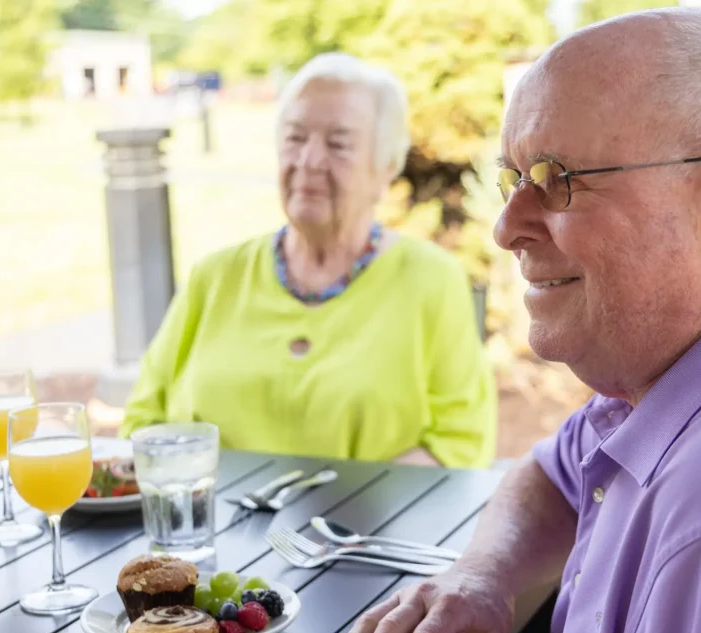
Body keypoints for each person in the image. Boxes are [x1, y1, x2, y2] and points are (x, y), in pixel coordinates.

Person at [338, 7, 701, 633]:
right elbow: (556, 474)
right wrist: (483, 576)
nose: (507, 228)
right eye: (516, 181)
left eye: (556, 179)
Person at [119, 53, 496, 469]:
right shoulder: (214, 276)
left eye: (338, 143)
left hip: (361, 529)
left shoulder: (431, 280)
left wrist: (337, 522)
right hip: (208, 526)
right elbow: (142, 424)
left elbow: (460, 445)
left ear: (386, 167)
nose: (309, 160)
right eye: (295, 138)